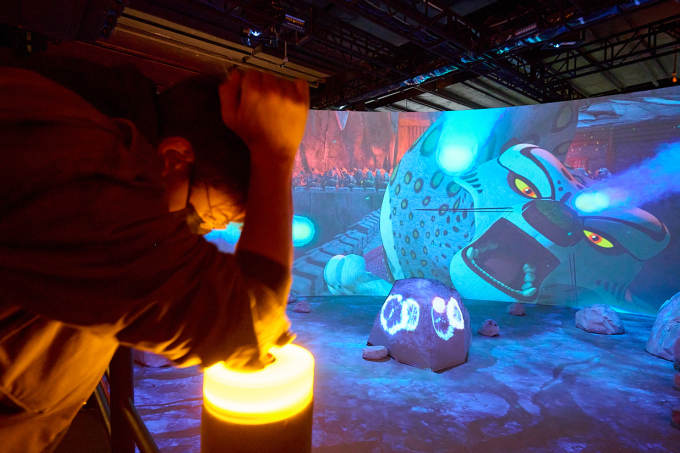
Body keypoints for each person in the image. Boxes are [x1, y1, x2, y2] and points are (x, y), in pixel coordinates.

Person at [0, 59, 309, 452]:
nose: (192, 234)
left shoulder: (67, 138)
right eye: (204, 219)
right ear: (173, 159)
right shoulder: (91, 179)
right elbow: (247, 324)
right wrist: (275, 156)